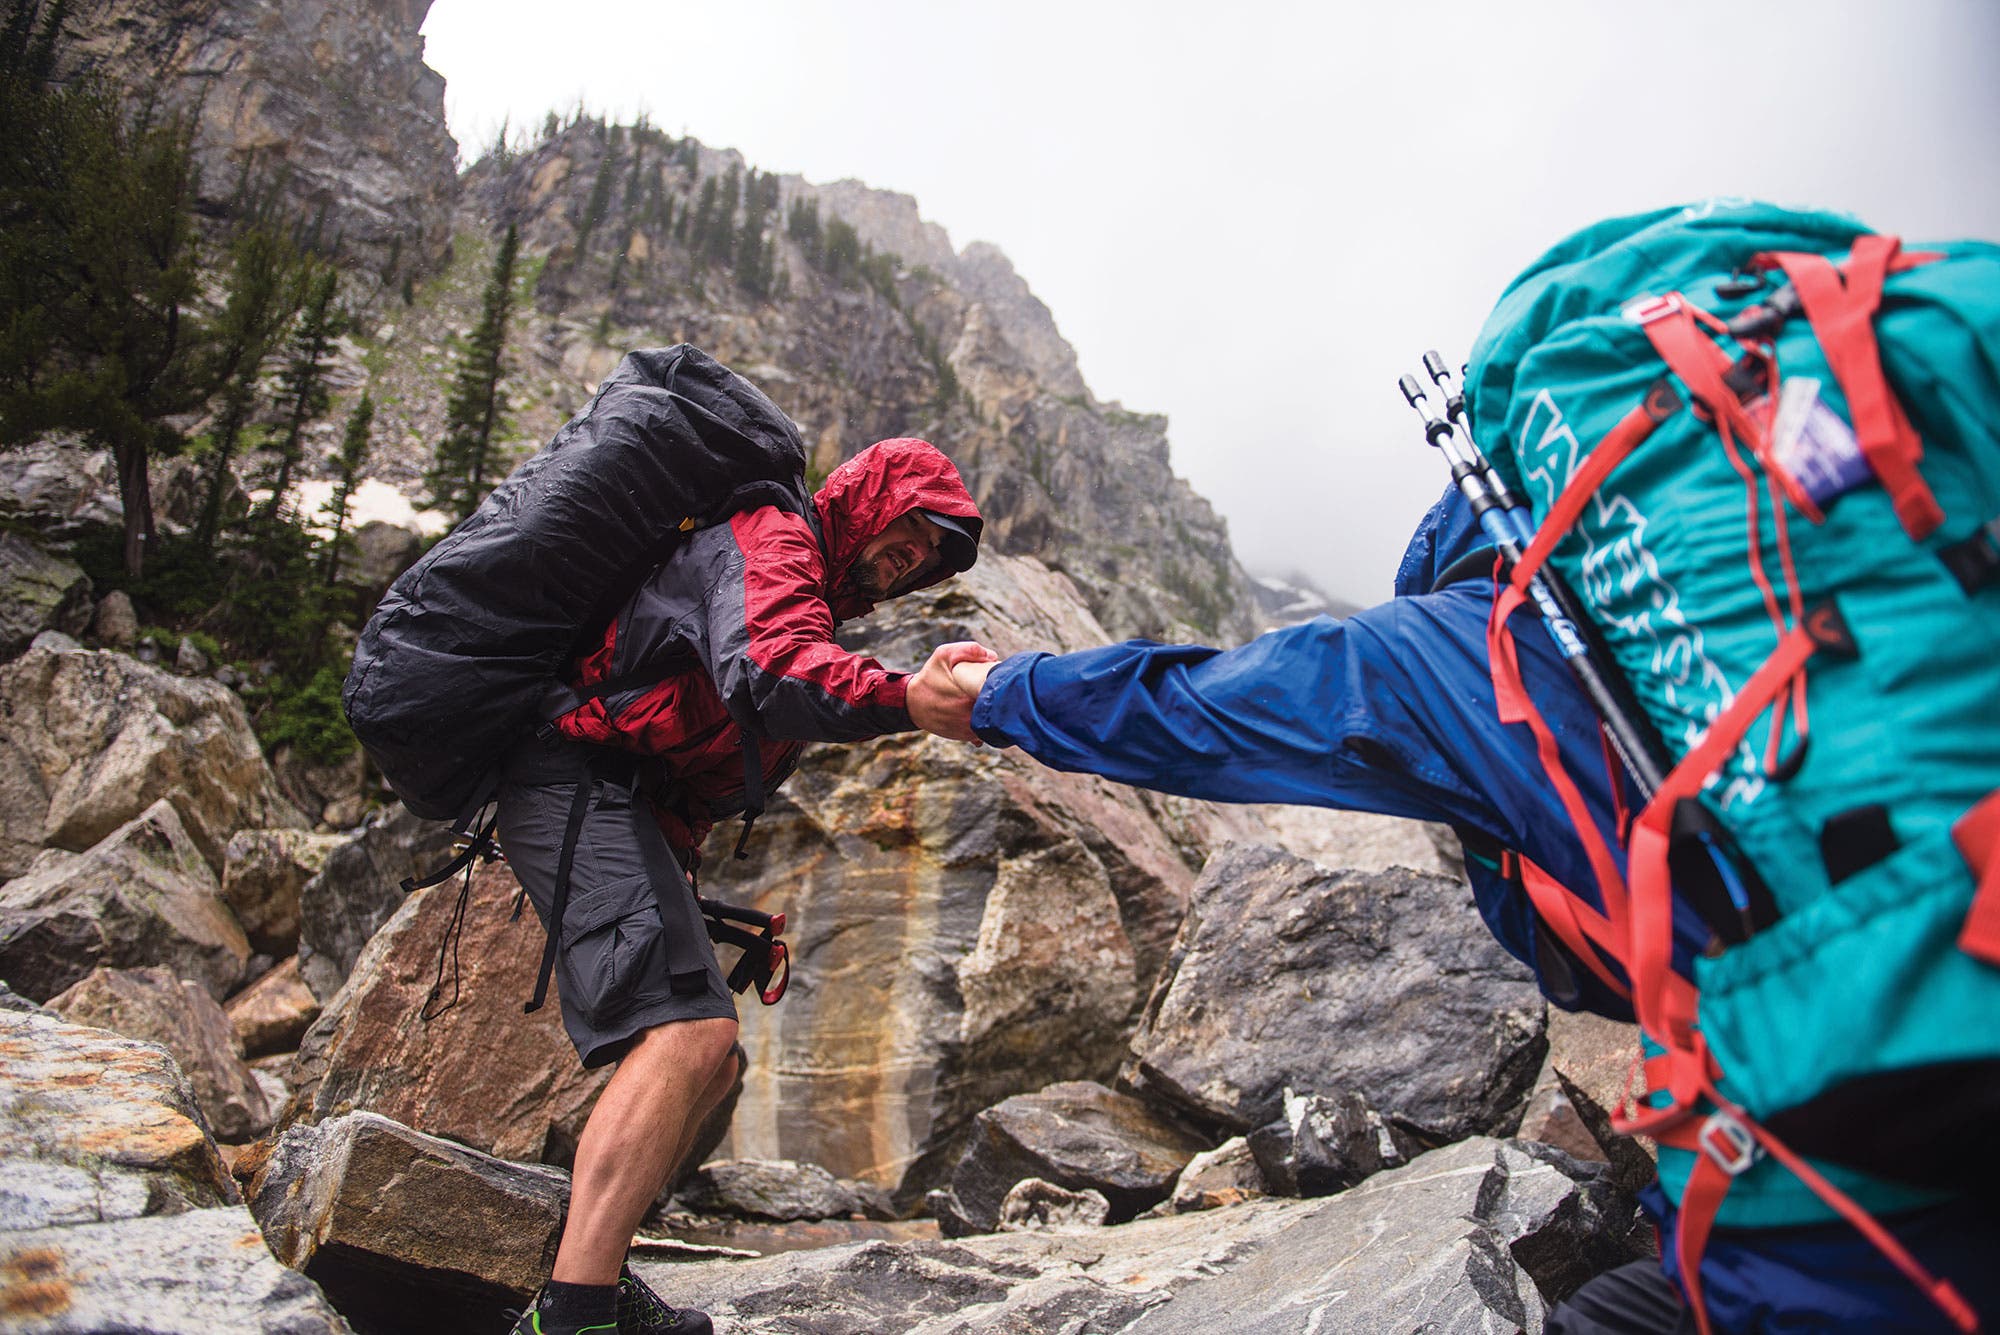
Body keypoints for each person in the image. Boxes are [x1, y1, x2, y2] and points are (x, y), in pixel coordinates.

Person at [932, 483, 1997, 1334]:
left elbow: (1203, 708)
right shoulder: (1853, 578)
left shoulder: (1473, 645)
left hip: (1852, 1193)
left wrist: (994, 694)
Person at [498, 436, 997, 1335]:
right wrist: (904, 697)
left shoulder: (809, 586)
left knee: (715, 1059)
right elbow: (768, 669)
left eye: (925, 558)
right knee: (691, 1031)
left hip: (629, 802)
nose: (909, 559)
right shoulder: (770, 537)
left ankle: (596, 1280)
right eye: (909, 532)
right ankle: (572, 1317)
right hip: (570, 774)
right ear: (867, 498)